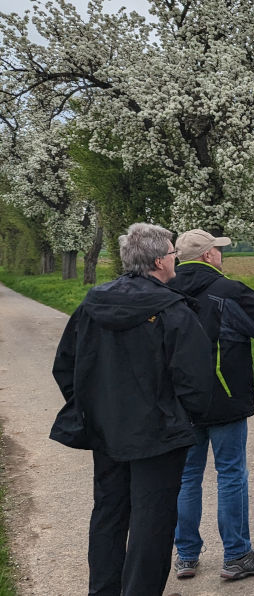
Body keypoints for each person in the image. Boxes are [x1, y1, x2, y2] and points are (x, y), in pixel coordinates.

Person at [50, 222, 213, 596]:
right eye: (173, 253)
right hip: (158, 435)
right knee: (152, 521)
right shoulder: (173, 309)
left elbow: (66, 366)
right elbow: (197, 381)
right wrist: (183, 417)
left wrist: (93, 406)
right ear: (159, 261)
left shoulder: (92, 305)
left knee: (109, 512)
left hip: (106, 430)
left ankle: (103, 590)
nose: (175, 259)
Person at [168, 228, 254, 580]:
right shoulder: (229, 290)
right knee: (230, 474)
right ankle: (236, 554)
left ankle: (186, 556)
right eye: (217, 250)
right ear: (208, 256)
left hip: (180, 400)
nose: (221, 255)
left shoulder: (163, 291)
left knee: (187, 478)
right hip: (225, 397)